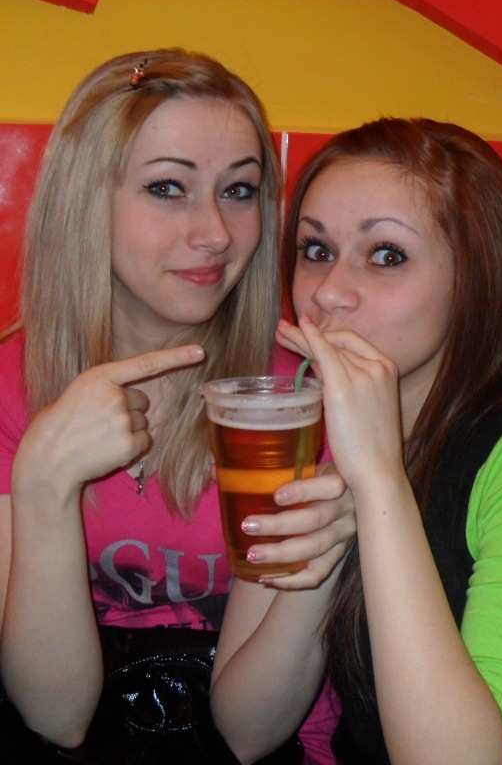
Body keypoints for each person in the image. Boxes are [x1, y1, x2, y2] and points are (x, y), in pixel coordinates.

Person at [0, 49, 347, 763]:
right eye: (167, 187)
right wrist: (43, 484)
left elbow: (250, 736)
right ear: (85, 201)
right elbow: (55, 717)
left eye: (239, 190)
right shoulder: (12, 384)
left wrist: (334, 547)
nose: (216, 233)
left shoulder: (293, 399)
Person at [211, 117, 502, 764]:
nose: (327, 293)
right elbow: (244, 729)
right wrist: (332, 532)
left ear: (485, 277)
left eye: (386, 255)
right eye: (316, 250)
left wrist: (378, 482)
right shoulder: (308, 423)